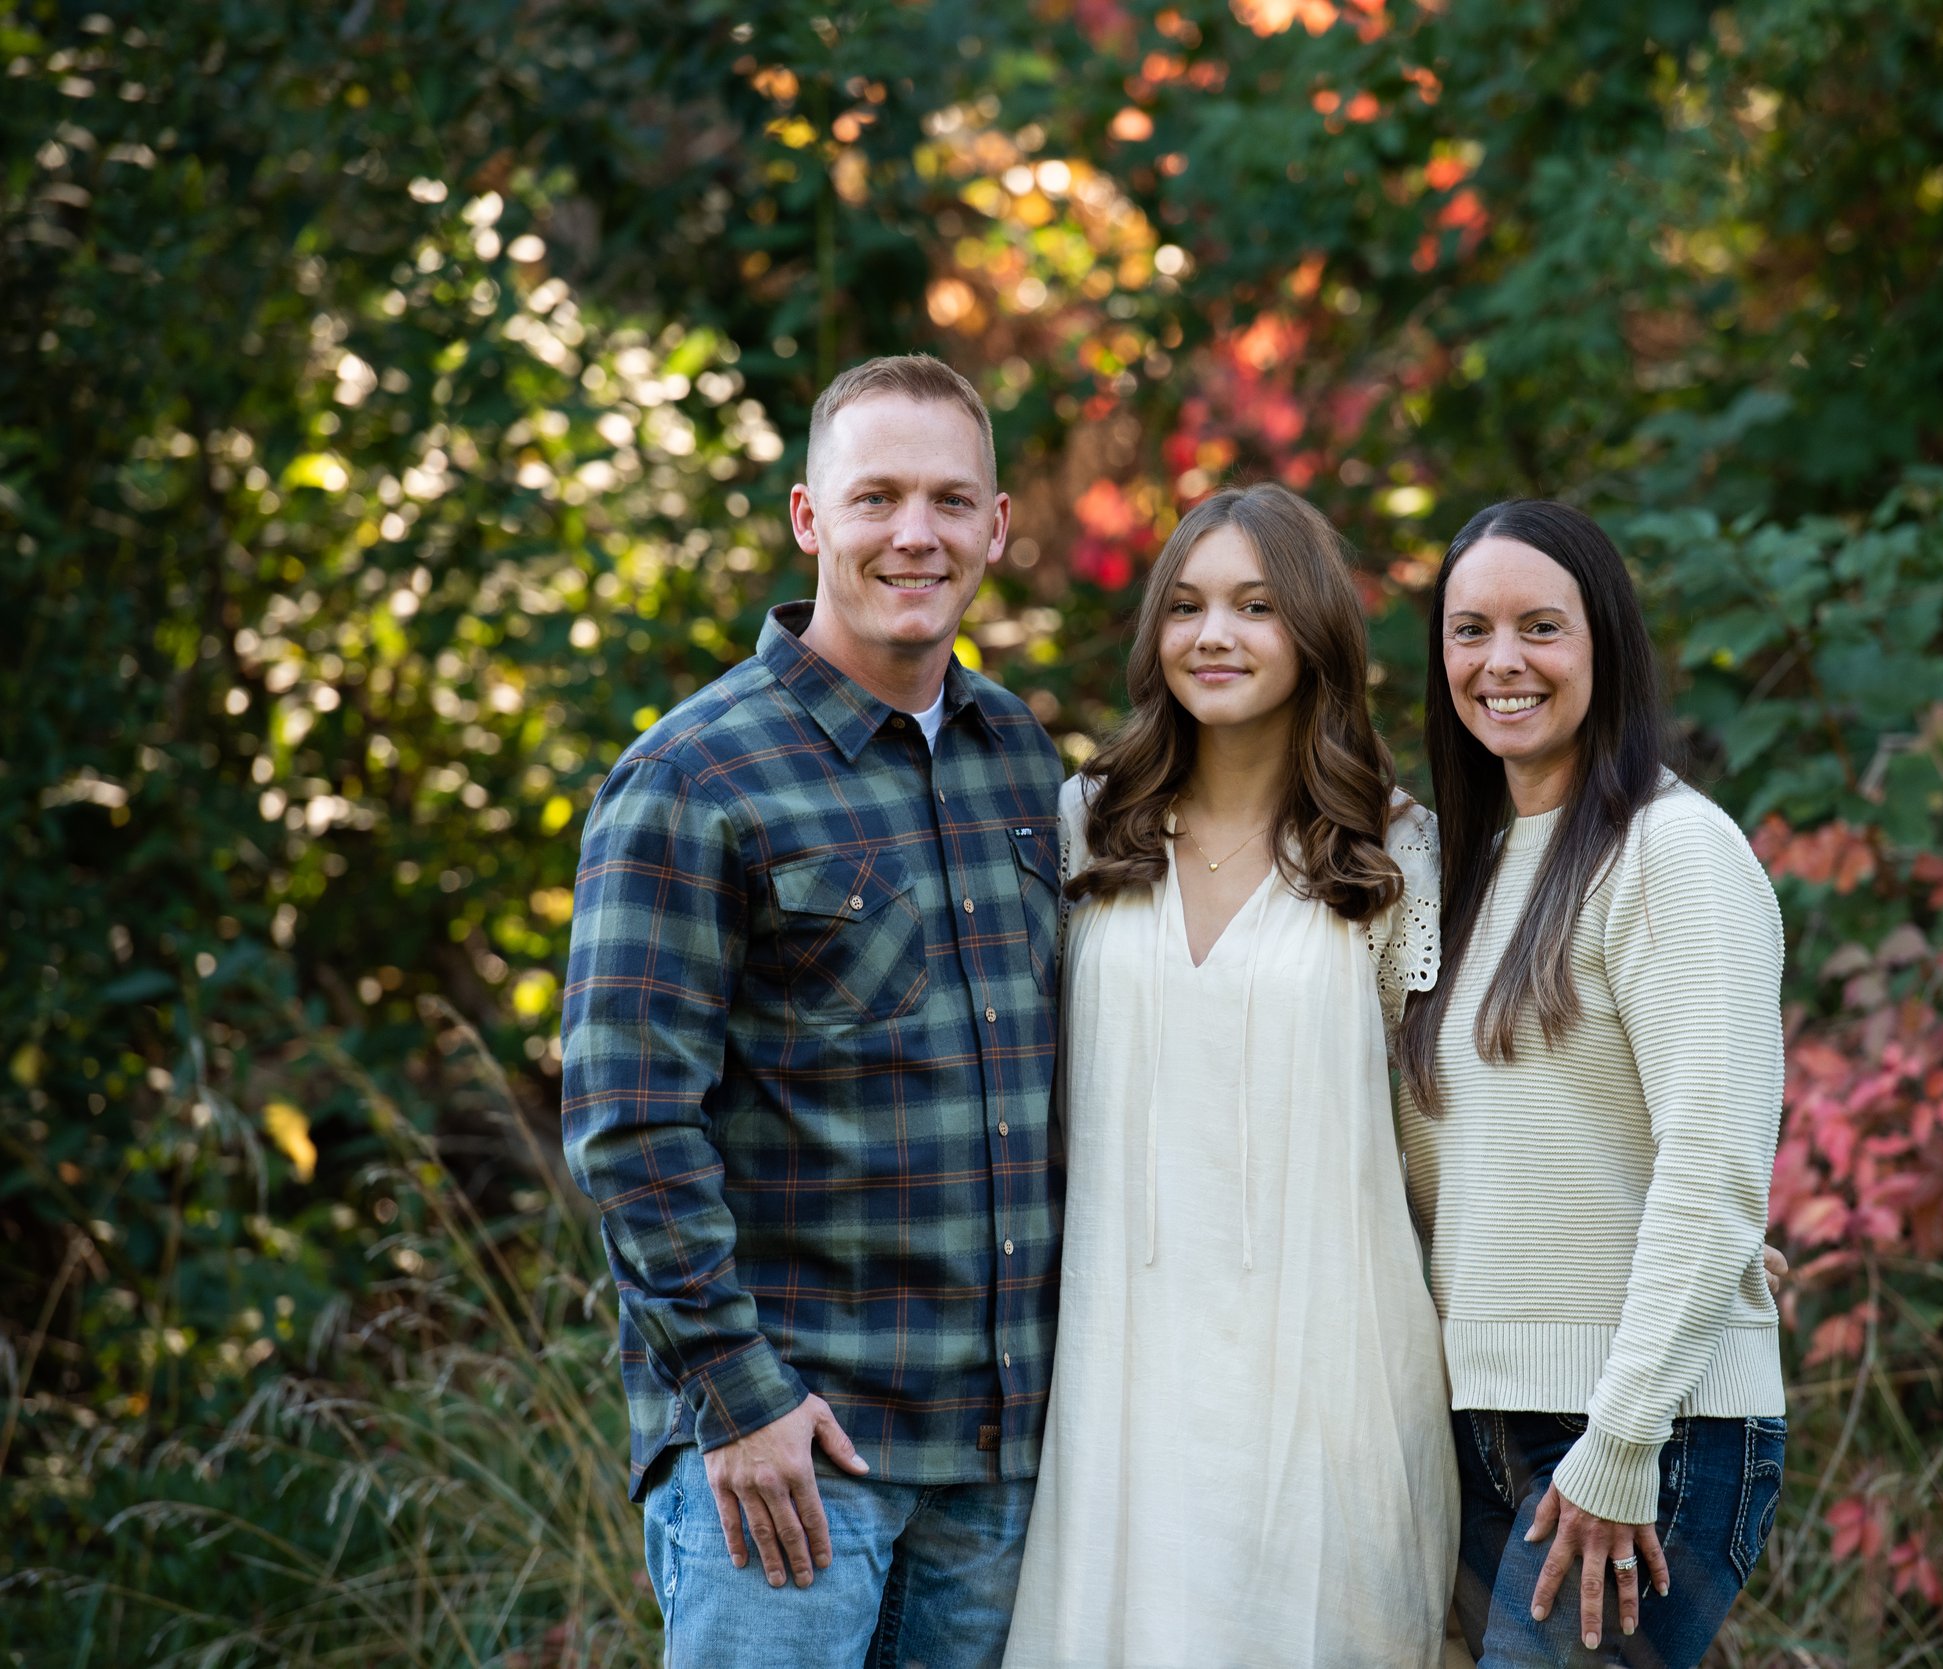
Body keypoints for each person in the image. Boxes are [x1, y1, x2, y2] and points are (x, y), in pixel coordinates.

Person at [561, 354, 1064, 1668]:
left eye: (953, 501)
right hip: (793, 1459)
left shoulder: (1020, 756)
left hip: (997, 1462)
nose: (917, 533)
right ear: (807, 516)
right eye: (877, 496)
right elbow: (626, 1122)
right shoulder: (689, 776)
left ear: (997, 526)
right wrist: (738, 1403)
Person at [1003, 484, 1457, 1668]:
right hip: (1121, 1370)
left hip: (1329, 1375)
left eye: (1257, 606)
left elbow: (1448, 1138)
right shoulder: (1085, 828)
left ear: (1313, 634)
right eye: (1189, 605)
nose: (1217, 635)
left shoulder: (1391, 852)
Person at [1395, 500, 1788, 1669]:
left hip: (1644, 1430)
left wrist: (1622, 1434)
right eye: (1469, 631)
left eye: (1539, 628)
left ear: (1603, 646)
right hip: (1479, 1425)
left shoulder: (1674, 851)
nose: (1500, 662)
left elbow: (1714, 1160)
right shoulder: (1455, 872)